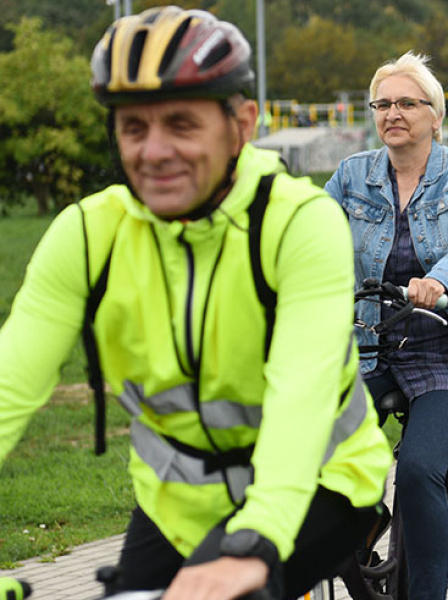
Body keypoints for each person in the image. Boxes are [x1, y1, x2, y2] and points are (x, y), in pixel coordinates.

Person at [0, 7, 391, 599]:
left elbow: (300, 392)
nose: (154, 151)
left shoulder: (296, 223)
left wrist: (257, 538)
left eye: (181, 124)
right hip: (176, 501)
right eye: (134, 128)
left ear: (241, 125)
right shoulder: (87, 234)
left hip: (317, 483)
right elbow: (10, 382)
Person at [324, 52, 448, 600]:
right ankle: (364, 541)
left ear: (435, 115)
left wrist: (437, 279)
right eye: (382, 103)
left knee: (417, 469)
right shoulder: (351, 176)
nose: (393, 113)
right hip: (371, 349)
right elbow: (311, 235)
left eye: (407, 103)